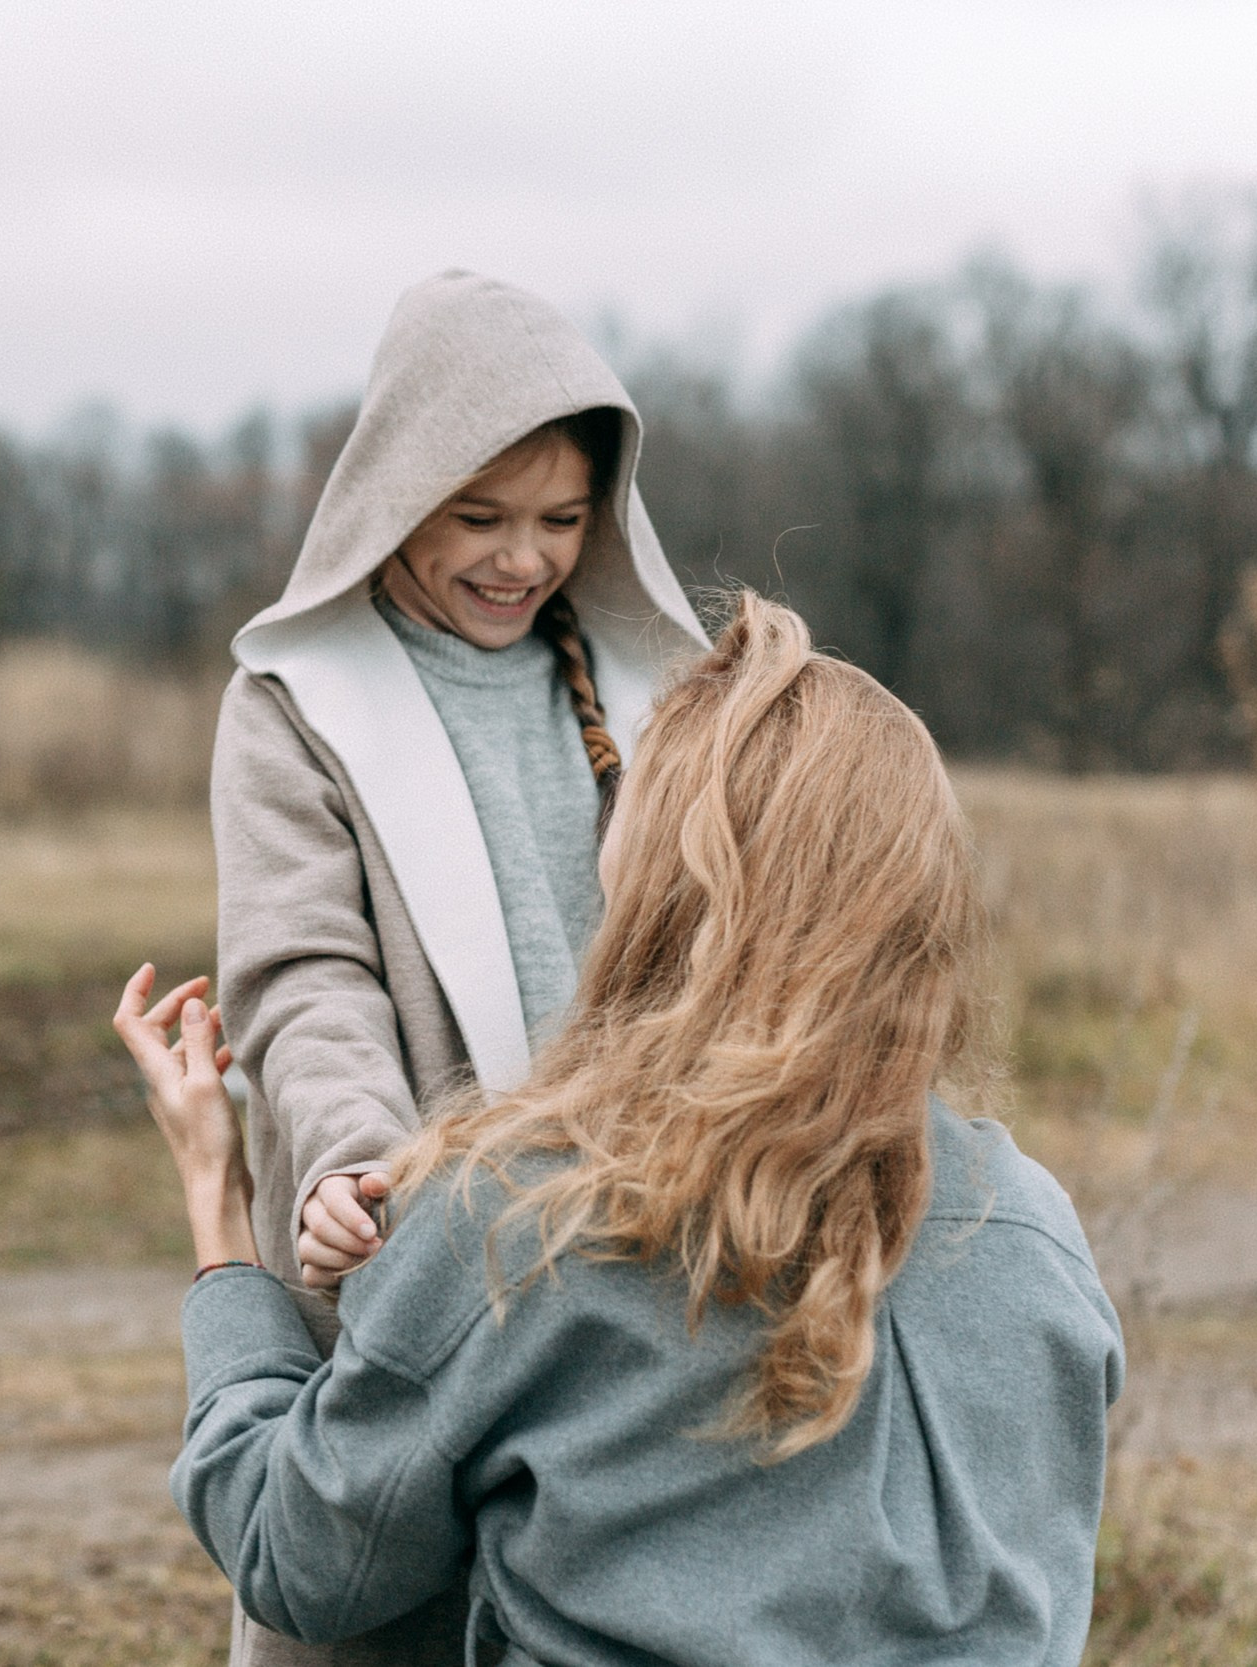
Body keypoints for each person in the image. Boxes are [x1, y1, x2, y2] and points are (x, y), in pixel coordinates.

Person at [117, 594, 1125, 1667]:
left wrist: (219, 1219)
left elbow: (298, 1558)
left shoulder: (520, 1226)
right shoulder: (1033, 1232)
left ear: (658, 889)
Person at [206, 270, 705, 1663]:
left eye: (560, 520)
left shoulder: (660, 696)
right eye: (478, 517)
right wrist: (358, 1166)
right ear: (393, 492)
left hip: (637, 1266)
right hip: (411, 1249)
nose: (522, 558)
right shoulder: (294, 707)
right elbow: (302, 980)